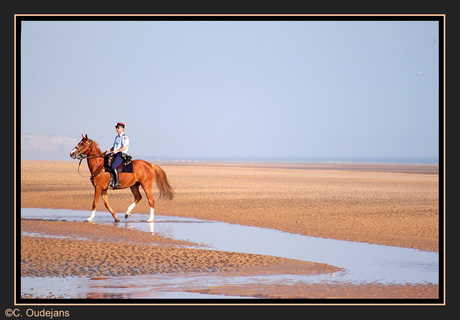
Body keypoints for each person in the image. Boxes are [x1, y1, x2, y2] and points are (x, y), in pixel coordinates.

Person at [105, 122, 129, 188]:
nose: (117, 129)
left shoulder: (124, 137)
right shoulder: (117, 137)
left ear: (122, 129)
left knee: (113, 166)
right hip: (115, 153)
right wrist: (109, 150)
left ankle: (117, 183)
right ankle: (111, 180)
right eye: (116, 128)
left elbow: (125, 147)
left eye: (118, 128)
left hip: (121, 154)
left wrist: (117, 151)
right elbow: (114, 147)